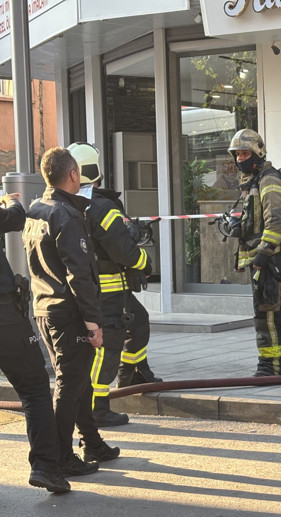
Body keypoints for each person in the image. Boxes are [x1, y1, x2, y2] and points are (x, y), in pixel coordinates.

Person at [24, 147, 120, 475]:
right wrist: (93, 322)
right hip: (68, 314)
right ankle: (60, 457)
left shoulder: (37, 209)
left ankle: (92, 442)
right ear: (74, 175)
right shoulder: (66, 215)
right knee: (70, 383)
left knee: (78, 382)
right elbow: (78, 273)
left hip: (44, 309)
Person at [67, 142, 157, 427]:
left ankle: (134, 372)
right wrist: (145, 263)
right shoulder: (100, 207)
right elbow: (125, 251)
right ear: (95, 170)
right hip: (107, 291)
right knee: (108, 345)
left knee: (139, 322)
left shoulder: (65, 203)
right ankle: (97, 406)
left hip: (88, 289)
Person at [0, 193, 70, 493]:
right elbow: (15, 217)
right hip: (5, 319)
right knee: (35, 389)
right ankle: (46, 467)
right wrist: (8, 202)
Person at [228, 128, 281, 377]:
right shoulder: (254, 182)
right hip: (269, 258)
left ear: (257, 153)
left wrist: (262, 254)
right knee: (277, 312)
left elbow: (277, 219)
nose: (240, 159)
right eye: (237, 155)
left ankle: (269, 366)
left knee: (266, 313)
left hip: (271, 258)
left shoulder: (269, 179)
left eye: (244, 153)